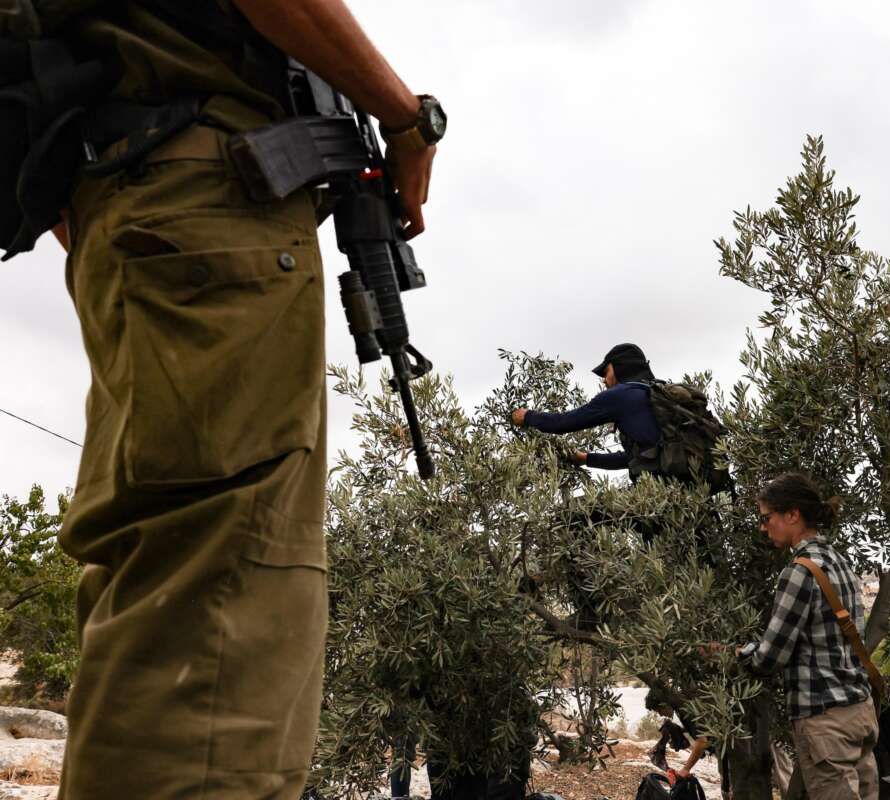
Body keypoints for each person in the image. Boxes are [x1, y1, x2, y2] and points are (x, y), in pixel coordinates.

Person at [48, 1, 442, 797]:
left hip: (147, 211)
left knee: (166, 587)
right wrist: (408, 121)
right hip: (212, 207)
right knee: (230, 595)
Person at [728, 472, 879, 800]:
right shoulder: (840, 562)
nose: (762, 526)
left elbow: (771, 657)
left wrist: (740, 653)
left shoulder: (800, 571)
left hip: (826, 722)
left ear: (792, 514)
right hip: (860, 713)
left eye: (766, 517)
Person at [511, 343, 662, 477]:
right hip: (681, 489)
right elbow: (636, 458)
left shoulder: (620, 395)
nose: (604, 380)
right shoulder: (659, 393)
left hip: (659, 494)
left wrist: (527, 416)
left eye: (606, 372)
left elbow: (562, 423)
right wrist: (585, 459)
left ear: (620, 368)